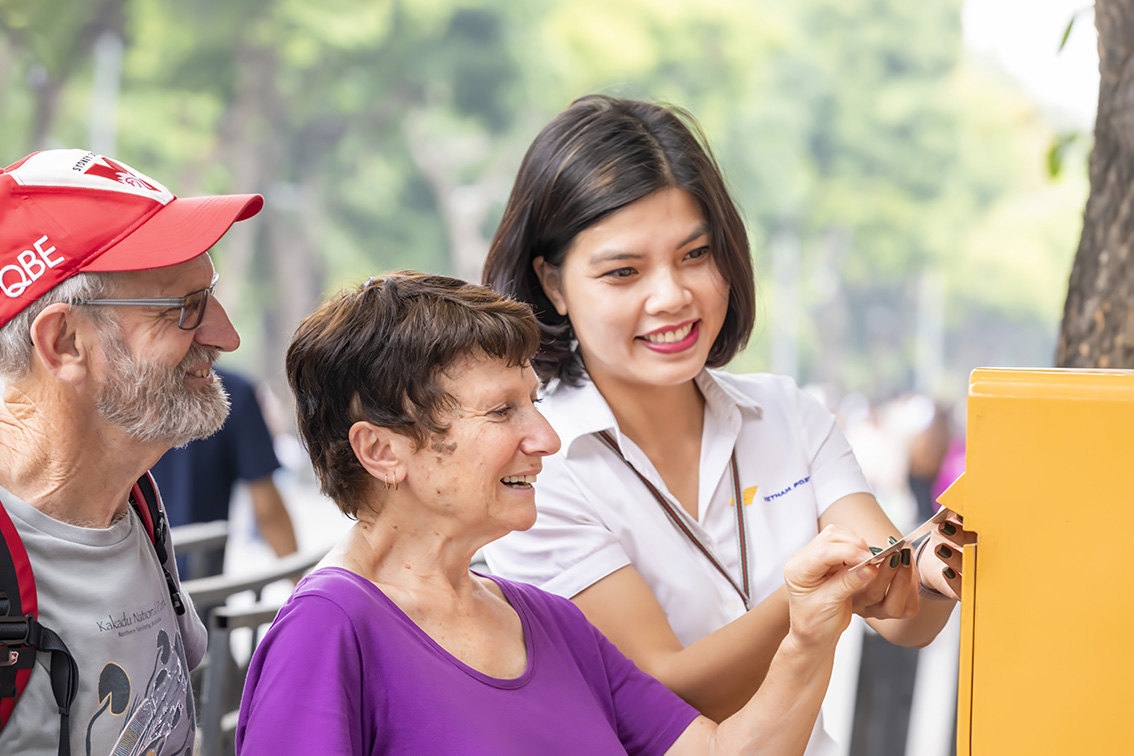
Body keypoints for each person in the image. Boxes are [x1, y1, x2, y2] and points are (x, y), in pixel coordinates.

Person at [481, 95, 975, 752]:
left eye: (695, 255)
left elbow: (902, 616)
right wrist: (813, 599)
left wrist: (932, 571)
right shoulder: (535, 464)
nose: (672, 297)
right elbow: (661, 692)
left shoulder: (788, 415)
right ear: (554, 284)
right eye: (624, 272)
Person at [236, 272, 880, 756]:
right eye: (502, 411)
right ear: (381, 449)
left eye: (533, 403)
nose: (545, 436)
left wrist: (809, 637)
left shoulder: (548, 621)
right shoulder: (328, 631)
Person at [0, 149, 262, 755]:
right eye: (185, 307)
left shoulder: (134, 502)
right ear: (65, 341)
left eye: (211, 294)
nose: (226, 335)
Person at [151, 366, 298, 579]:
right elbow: (268, 510)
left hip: (127, 579)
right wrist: (299, 586)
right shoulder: (231, 392)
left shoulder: (118, 391)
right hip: (199, 584)